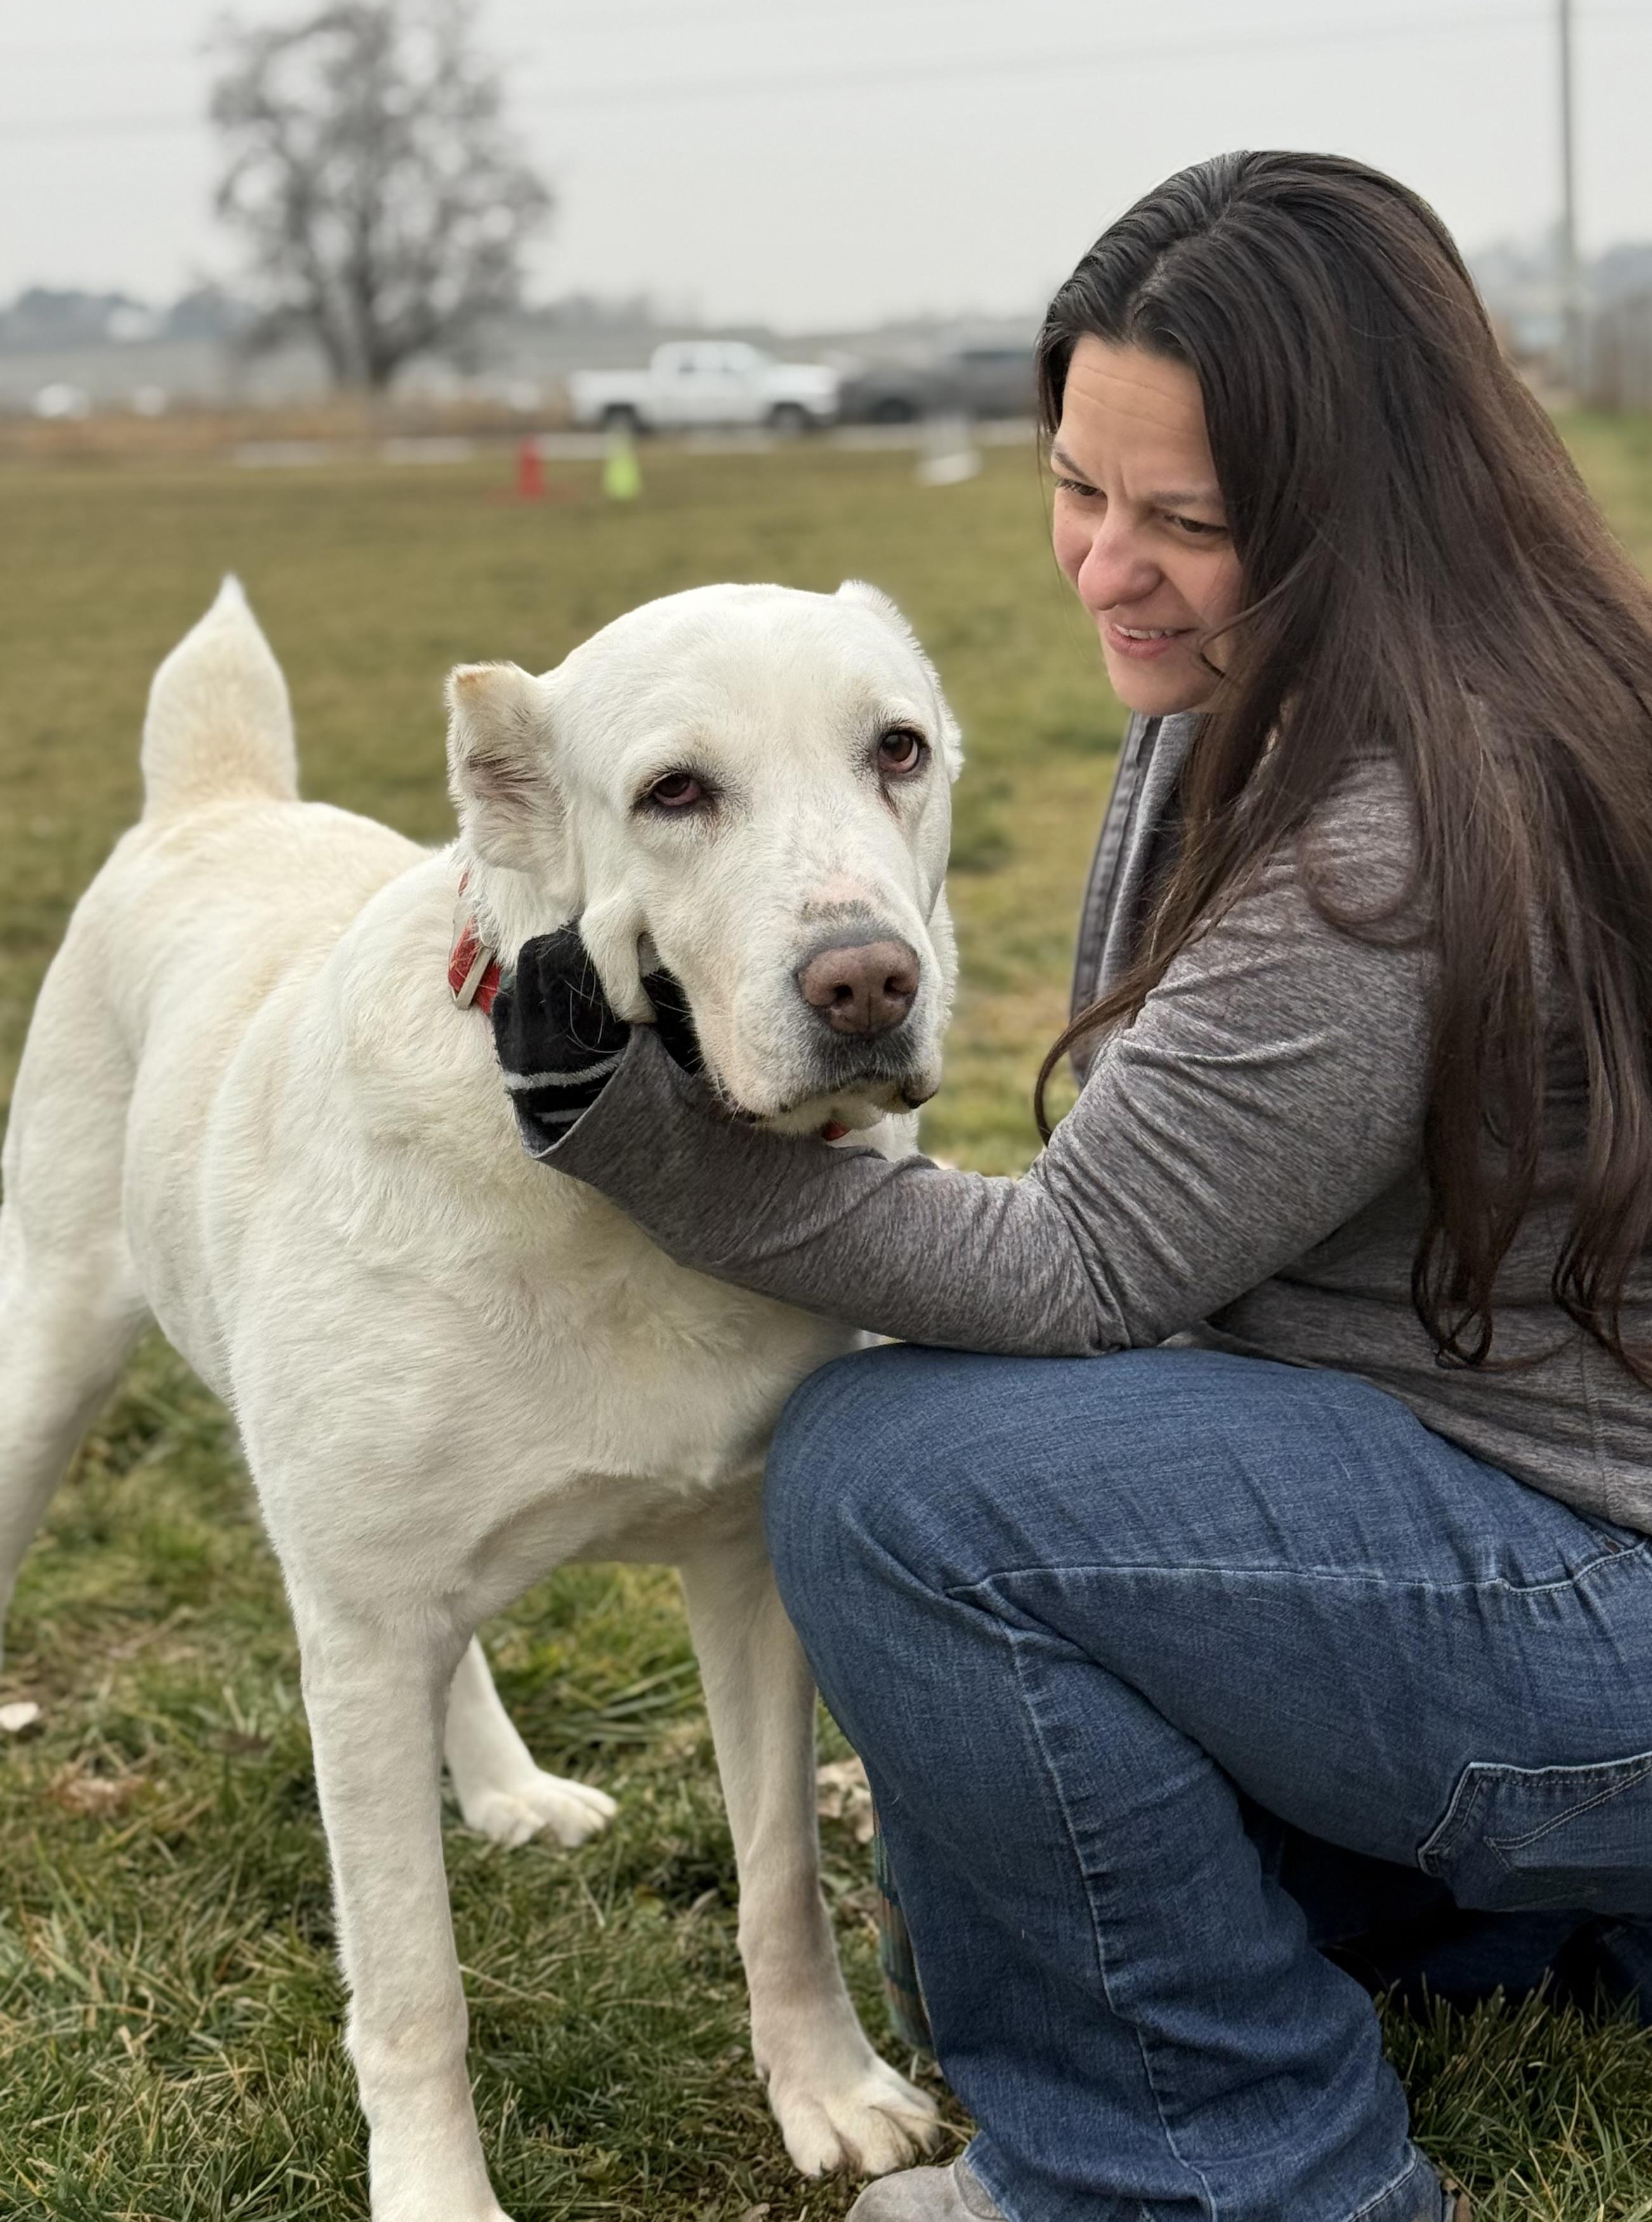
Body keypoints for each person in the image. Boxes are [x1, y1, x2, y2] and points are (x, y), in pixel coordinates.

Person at [489, 152, 1652, 2222]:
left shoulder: (1385, 831)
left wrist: (637, 1133)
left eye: (1183, 519)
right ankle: (1501, 1925)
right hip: (1537, 1533)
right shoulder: (1325, 679)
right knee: (991, 1893)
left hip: (1602, 1606)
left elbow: (1081, 1268)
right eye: (1075, 485)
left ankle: (1210, 2180)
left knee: (898, 1487)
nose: (1107, 566)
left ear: (1358, 503)